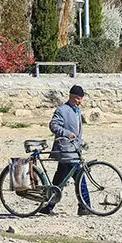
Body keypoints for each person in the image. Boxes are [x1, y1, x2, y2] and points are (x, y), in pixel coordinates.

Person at [39, 85, 91, 216]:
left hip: (74, 150)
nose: (79, 101)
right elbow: (53, 125)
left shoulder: (77, 111)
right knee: (80, 178)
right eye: (77, 99)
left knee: (59, 180)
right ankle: (85, 207)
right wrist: (67, 133)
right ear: (71, 96)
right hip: (66, 151)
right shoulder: (62, 110)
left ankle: (49, 205)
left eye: (81, 99)